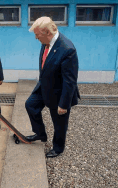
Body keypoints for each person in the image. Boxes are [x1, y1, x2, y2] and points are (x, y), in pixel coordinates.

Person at [25, 17, 80, 158]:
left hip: (59, 91)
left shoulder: (67, 50)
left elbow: (70, 81)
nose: (36, 37)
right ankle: (40, 134)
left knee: (59, 123)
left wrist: (64, 104)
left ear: (48, 32)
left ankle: (58, 148)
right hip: (44, 85)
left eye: (37, 34)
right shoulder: (46, 42)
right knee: (30, 105)